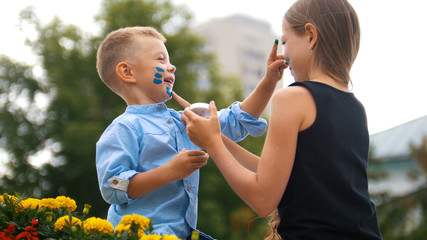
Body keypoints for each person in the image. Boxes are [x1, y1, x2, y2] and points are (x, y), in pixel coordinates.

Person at [181, 0, 383, 239]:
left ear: (310, 36)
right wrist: (215, 136)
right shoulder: (355, 106)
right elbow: (280, 172)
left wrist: (213, 144)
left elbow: (263, 199)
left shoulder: (293, 97)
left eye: (285, 41)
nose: (283, 54)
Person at [95, 26, 287, 240]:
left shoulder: (185, 121)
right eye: (160, 60)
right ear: (127, 72)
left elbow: (236, 120)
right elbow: (112, 186)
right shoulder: (124, 128)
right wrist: (170, 170)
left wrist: (270, 80)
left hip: (182, 234)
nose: (172, 67)